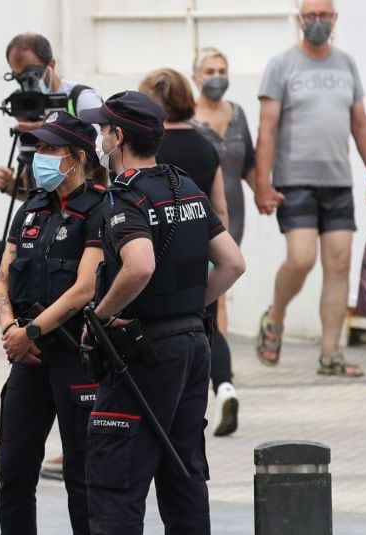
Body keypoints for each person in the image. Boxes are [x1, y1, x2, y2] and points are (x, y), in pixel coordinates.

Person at [78, 91, 245, 535]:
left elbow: (141, 264)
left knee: (115, 484)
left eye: (104, 129)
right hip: (193, 346)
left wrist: (99, 316)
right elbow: (234, 263)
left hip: (142, 356)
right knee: (185, 478)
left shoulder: (125, 196)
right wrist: (193, 309)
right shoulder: (186, 186)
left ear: (119, 137)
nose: (100, 137)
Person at [0, 112, 106, 535]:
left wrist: (31, 330)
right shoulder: (30, 209)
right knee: (14, 469)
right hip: (24, 358)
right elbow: (3, 277)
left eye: (50, 150)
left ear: (78, 157)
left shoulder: (99, 209)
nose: (40, 159)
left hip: (73, 356)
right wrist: (10, 329)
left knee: (81, 476)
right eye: (38, 149)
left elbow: (86, 287)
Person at [254, 0, 366, 377]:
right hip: (294, 181)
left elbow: (360, 124)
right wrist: (263, 183)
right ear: (299, 19)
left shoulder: (346, 64)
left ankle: (331, 355)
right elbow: (267, 128)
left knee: (339, 263)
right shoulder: (282, 65)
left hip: (338, 180)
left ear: (334, 19)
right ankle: (275, 317)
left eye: (323, 15)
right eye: (310, 15)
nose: (317, 22)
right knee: (302, 258)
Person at [138, 68, 238, 437]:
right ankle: (224, 386)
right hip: (200, 252)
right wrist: (215, 251)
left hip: (155, 251)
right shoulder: (204, 145)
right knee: (207, 324)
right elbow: (220, 209)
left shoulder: (149, 147)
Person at [191, 48, 256, 436]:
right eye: (210, 70)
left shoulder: (238, 114)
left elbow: (248, 162)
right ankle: (222, 375)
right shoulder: (187, 121)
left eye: (223, 69)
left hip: (234, 216)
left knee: (218, 296)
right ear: (195, 77)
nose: (217, 76)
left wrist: (264, 191)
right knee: (214, 298)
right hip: (207, 221)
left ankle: (218, 371)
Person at [0, 33, 104, 198]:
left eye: (32, 74)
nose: (27, 83)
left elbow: (103, 158)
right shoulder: (26, 110)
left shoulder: (82, 99)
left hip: (86, 209)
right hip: (49, 218)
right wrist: (9, 186)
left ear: (51, 64)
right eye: (18, 77)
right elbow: (34, 193)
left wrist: (49, 132)